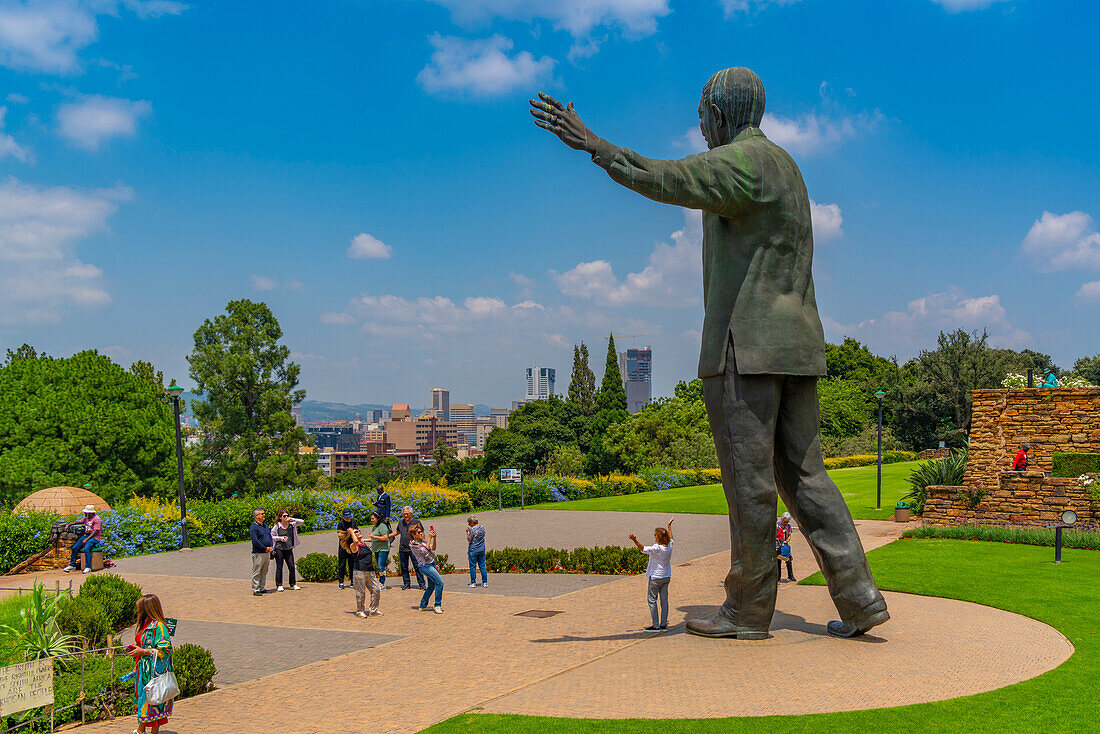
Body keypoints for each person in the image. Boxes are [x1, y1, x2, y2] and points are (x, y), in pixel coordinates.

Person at [529, 67, 888, 640]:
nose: (698, 127)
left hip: (744, 348)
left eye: (701, 115)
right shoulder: (787, 166)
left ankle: (747, 610)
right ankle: (859, 597)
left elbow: (668, 179)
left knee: (750, 484)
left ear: (720, 112)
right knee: (808, 477)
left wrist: (595, 145)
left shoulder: (741, 162)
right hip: (795, 346)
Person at [130, 594, 175, 733]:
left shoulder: (159, 627)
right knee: (144, 700)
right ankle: (142, 729)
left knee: (153, 699)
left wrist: (143, 651)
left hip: (154, 672)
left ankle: (145, 731)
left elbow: (165, 649)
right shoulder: (146, 625)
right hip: (143, 670)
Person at [629, 517, 674, 632]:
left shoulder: (657, 548)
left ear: (658, 537)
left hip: (655, 577)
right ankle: (663, 624)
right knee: (664, 600)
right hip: (666, 576)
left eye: (655, 535)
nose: (654, 536)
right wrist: (669, 526)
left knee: (652, 600)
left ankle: (655, 625)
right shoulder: (669, 546)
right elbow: (671, 538)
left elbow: (643, 549)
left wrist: (634, 540)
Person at [343, 528, 381, 617]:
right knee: (361, 592)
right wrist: (351, 532)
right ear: (352, 536)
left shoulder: (363, 544)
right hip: (359, 571)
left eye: (359, 531)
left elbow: (375, 539)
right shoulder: (354, 545)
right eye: (356, 532)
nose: (359, 532)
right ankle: (360, 611)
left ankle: (373, 610)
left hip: (370, 571)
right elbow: (355, 541)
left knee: (376, 589)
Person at [409, 523, 444, 613]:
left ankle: (423, 605)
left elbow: (433, 548)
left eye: (421, 532)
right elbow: (425, 550)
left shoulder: (423, 542)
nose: (421, 534)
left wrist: (434, 538)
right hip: (425, 566)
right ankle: (437, 605)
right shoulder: (413, 544)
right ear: (413, 535)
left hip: (431, 564)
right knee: (440, 582)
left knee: (431, 586)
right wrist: (429, 537)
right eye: (419, 532)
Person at [271, 509, 304, 591]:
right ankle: (279, 585)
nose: (286, 517)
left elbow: (302, 521)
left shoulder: (292, 524)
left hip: (289, 548)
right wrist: (281, 538)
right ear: (280, 517)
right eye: (284, 516)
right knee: (279, 566)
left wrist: (292, 519)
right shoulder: (277, 526)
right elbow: (271, 536)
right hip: (279, 548)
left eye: (287, 515)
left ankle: (293, 584)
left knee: (291, 566)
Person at [63, 504, 102, 574]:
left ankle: (88, 567)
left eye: (86, 513)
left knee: (87, 548)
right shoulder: (86, 518)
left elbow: (96, 531)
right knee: (75, 547)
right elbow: (78, 521)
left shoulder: (97, 519)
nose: (85, 514)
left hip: (94, 538)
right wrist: (69, 524)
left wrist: (86, 539)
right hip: (85, 536)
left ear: (91, 513)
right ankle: (72, 565)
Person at [396, 506, 426, 590]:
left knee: (417, 566)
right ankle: (406, 583)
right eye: (404, 514)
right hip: (403, 548)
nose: (405, 515)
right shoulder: (401, 522)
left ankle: (422, 584)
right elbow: (397, 532)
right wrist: (386, 537)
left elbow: (422, 533)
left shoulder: (416, 522)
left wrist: (422, 542)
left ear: (411, 514)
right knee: (404, 566)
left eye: (407, 514)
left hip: (414, 547)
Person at [368, 511, 398, 590]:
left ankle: (382, 584)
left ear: (377, 518)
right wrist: (363, 540)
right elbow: (373, 538)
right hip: (376, 549)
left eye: (373, 518)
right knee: (378, 566)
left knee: (381, 566)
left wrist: (374, 537)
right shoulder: (374, 527)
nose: (371, 520)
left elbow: (385, 538)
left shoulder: (382, 526)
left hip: (383, 549)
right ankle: (381, 582)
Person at [249, 508, 273, 596]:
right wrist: (264, 548)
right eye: (262, 514)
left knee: (264, 571)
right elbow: (255, 541)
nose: (264, 515)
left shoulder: (265, 525)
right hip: (258, 553)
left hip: (267, 552)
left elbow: (269, 536)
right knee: (257, 571)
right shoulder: (253, 527)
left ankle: (262, 587)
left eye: (264, 513)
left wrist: (270, 547)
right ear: (256, 516)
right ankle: (256, 589)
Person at [337, 508, 359, 590]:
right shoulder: (341, 524)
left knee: (352, 564)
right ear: (343, 516)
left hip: (351, 546)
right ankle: (341, 582)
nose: (348, 518)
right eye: (346, 517)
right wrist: (350, 533)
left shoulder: (353, 522)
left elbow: (356, 531)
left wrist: (352, 532)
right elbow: (340, 535)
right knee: (342, 564)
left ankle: (352, 581)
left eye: (349, 516)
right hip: (343, 546)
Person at [467, 516, 487, 588]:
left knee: (472, 566)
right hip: (481, 549)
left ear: (472, 523)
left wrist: (468, 533)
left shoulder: (472, 529)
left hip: (473, 549)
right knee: (482, 565)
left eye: (469, 523)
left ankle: (473, 582)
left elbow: (469, 539)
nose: (469, 524)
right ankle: (484, 582)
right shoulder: (482, 527)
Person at [777, 512, 795, 583]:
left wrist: (788, 539)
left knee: (788, 559)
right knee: (778, 561)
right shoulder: (777, 526)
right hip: (778, 545)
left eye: (787, 522)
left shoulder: (789, 526)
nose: (786, 523)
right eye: (784, 522)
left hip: (785, 545)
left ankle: (790, 575)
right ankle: (778, 577)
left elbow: (789, 534)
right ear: (781, 519)